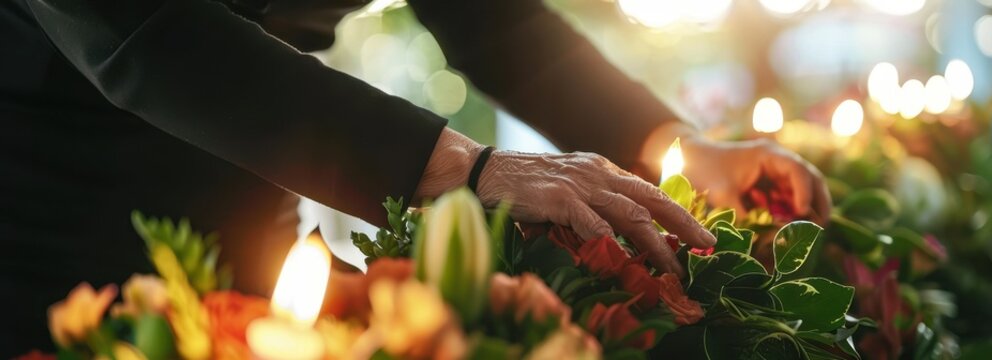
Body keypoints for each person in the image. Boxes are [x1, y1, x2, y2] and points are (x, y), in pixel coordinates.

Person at [0, 0, 830, 353]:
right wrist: (453, 165)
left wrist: (667, 140)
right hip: (42, 200)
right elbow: (140, 26)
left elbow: (490, 18)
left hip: (257, 184)